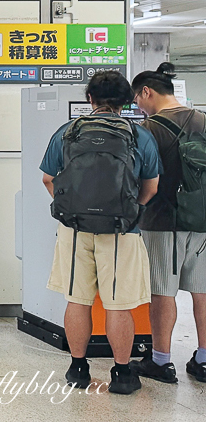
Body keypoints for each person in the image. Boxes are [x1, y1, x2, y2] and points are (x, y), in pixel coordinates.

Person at [40, 70, 159, 394]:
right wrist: (130, 210)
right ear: (126, 101)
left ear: (89, 99)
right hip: (123, 230)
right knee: (119, 304)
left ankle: (78, 369)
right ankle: (121, 374)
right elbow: (151, 186)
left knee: (77, 299)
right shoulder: (139, 135)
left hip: (75, 229)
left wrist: (72, 206)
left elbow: (48, 178)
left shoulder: (68, 132)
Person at [130, 63, 206, 384]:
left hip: (163, 219)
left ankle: (161, 361)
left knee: (163, 290)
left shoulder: (149, 128)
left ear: (147, 92)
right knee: (202, 291)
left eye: (137, 99)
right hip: (201, 217)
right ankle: (203, 359)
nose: (137, 106)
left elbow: (139, 176)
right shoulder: (203, 119)